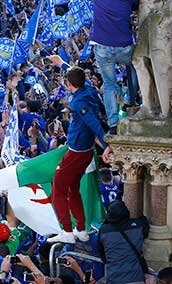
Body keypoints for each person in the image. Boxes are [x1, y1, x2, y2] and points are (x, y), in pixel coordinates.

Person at [73, 0, 139, 132]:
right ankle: (129, 100)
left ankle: (113, 124)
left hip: (102, 45)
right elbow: (134, 6)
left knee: (109, 84)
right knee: (135, 66)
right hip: (124, 45)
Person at [47, 66, 112, 244]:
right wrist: (61, 63)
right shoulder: (89, 90)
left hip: (76, 153)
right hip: (86, 152)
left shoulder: (78, 102)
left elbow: (93, 123)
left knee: (57, 188)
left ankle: (67, 231)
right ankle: (81, 229)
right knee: (72, 189)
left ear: (69, 84)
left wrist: (106, 145)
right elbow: (81, 77)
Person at [97, 200, 150, 284]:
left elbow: (102, 254)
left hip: (114, 278)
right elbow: (144, 222)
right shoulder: (138, 226)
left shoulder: (104, 230)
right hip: (136, 277)